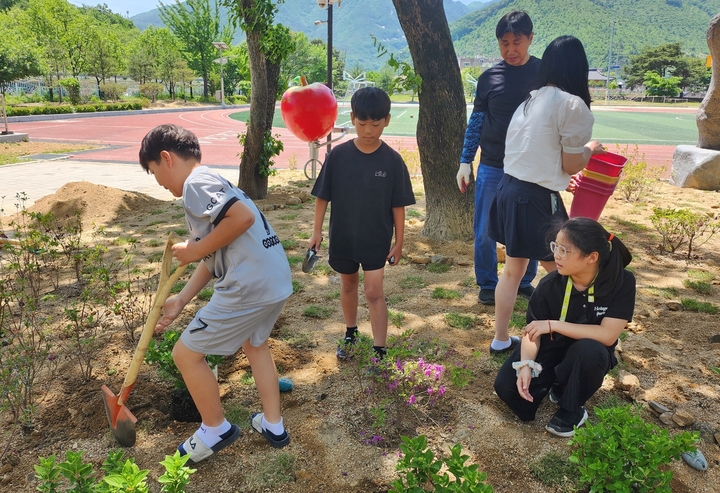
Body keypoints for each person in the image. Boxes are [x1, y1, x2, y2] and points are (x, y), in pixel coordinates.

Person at [138, 124, 293, 464]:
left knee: (186, 354)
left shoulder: (196, 184)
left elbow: (242, 218)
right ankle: (273, 425)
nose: (159, 184)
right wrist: (182, 299)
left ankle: (215, 427)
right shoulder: (215, 181)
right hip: (275, 279)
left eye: (154, 173)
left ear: (166, 158)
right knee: (255, 345)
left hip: (247, 287)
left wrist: (194, 249)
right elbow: (215, 252)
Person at [488, 35, 606, 358]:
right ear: (578, 68)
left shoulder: (531, 99)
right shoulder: (573, 105)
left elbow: (536, 153)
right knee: (565, 268)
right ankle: (575, 333)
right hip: (536, 200)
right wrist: (590, 150)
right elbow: (571, 162)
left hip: (509, 190)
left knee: (512, 271)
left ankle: (500, 339)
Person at [493, 217, 635, 437]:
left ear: (592, 257)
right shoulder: (550, 284)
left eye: (564, 250)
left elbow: (607, 335)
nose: (556, 255)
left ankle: (571, 406)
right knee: (507, 388)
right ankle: (556, 379)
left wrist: (554, 325)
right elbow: (532, 333)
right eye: (555, 247)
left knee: (590, 351)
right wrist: (526, 365)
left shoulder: (621, 282)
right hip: (551, 347)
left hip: (588, 351)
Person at [308, 87, 416, 360]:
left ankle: (379, 348)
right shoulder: (338, 156)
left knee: (373, 291)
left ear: (387, 120)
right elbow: (323, 196)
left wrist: (399, 242)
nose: (369, 130)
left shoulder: (392, 161)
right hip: (343, 236)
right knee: (348, 285)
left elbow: (398, 206)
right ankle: (351, 332)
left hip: (376, 239)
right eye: (362, 123)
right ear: (352, 118)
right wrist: (316, 232)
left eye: (376, 124)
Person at [456, 10, 540, 325]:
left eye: (516, 42)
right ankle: (488, 284)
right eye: (504, 43)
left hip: (532, 166)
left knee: (530, 226)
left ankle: (525, 279)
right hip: (492, 164)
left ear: (530, 39)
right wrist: (466, 160)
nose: (510, 50)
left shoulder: (545, 74)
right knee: (484, 229)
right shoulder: (489, 78)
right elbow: (476, 121)